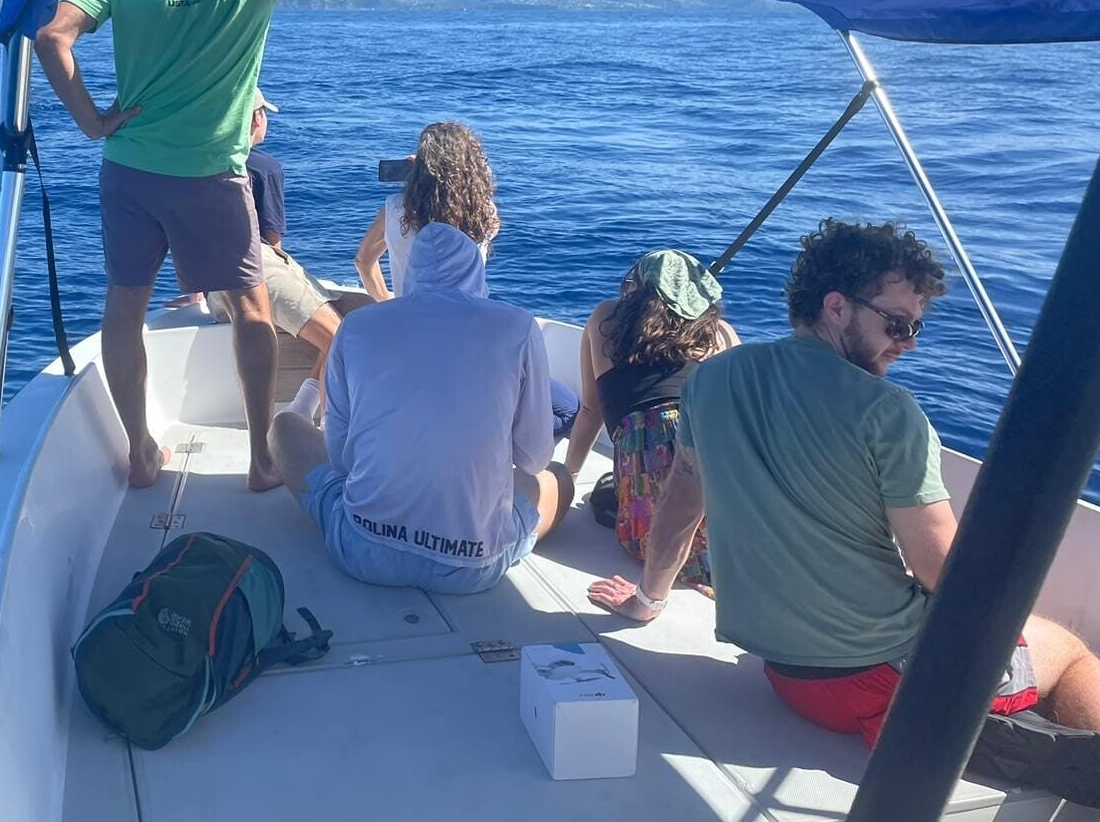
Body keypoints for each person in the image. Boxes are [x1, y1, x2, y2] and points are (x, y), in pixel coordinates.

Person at [588, 220, 1100, 789]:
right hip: (891, 680)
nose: (908, 343)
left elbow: (679, 507)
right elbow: (943, 575)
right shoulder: (889, 413)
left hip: (788, 677)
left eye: (916, 328)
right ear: (836, 306)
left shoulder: (712, 380)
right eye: (897, 324)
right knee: (1072, 652)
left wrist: (647, 600)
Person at [34, 0, 304, 492]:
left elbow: (50, 36)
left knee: (125, 309)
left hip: (128, 168)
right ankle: (262, 460)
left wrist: (92, 121)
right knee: (251, 310)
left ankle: (141, 452)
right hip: (211, 170)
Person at [270, 223, 572, 594]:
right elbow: (533, 460)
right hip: (471, 568)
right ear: (476, 270)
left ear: (410, 274)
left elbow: (340, 459)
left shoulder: (357, 326)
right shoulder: (518, 327)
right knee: (559, 478)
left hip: (363, 551)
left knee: (284, 427)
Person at [563, 249, 739, 590]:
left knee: (601, 495)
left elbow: (591, 411)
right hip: (730, 526)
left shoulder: (606, 317)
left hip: (646, 536)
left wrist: (567, 476)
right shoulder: (723, 335)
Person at [206, 89, 344, 408]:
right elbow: (273, 242)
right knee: (343, 337)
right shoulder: (265, 167)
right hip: (260, 270)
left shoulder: (204, 164)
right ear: (256, 118)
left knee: (358, 309)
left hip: (215, 291)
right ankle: (306, 418)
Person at [354, 121, 500, 301]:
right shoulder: (483, 212)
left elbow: (363, 261)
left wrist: (387, 304)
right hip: (470, 321)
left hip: (413, 320)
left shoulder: (394, 208)